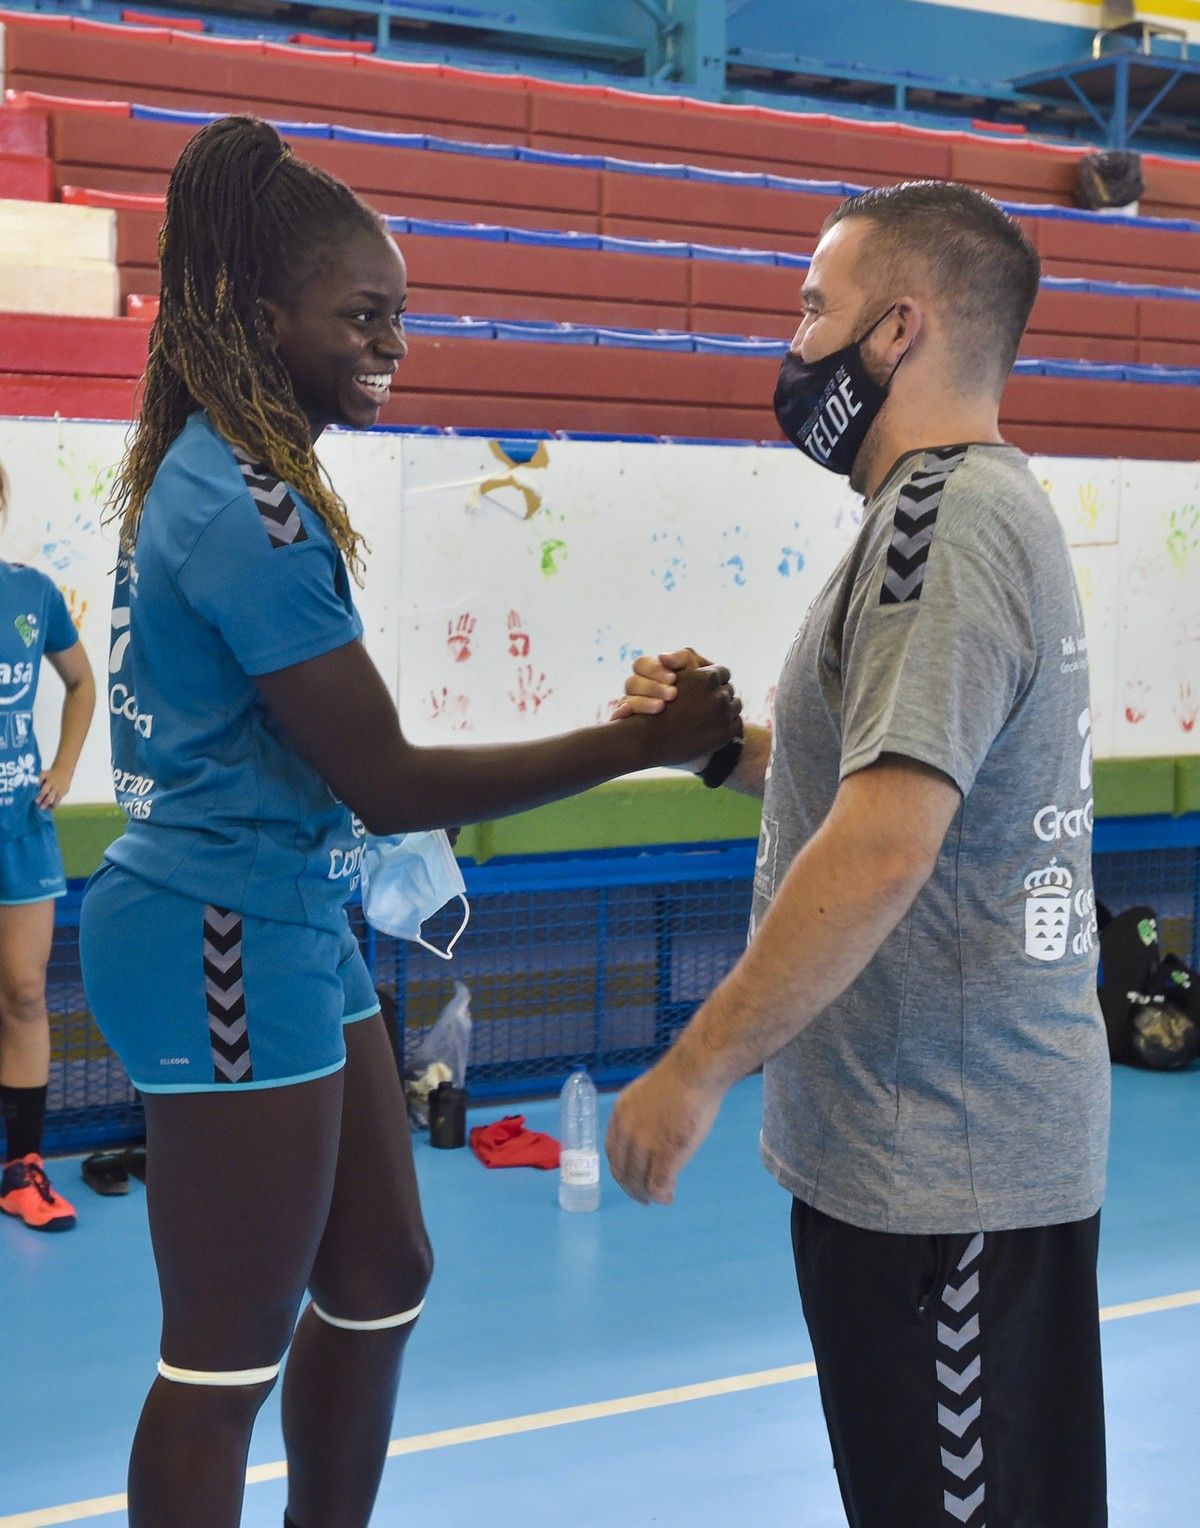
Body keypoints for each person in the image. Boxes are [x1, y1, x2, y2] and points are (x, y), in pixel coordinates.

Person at [78, 115, 740, 1528]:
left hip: (289, 913)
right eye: (362, 314)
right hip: (223, 932)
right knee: (221, 1355)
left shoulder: (249, 481)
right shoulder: (238, 507)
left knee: (380, 1277)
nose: (392, 342)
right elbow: (382, 776)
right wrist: (646, 745)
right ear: (264, 317)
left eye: (401, 314)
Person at [609, 180, 1110, 1527]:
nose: (797, 345)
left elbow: (889, 844)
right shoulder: (944, 518)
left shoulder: (943, 529)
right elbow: (883, 780)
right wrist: (723, 750)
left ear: (898, 331)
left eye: (814, 311)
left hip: (945, 1173)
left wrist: (693, 1066)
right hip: (941, 1161)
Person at [0, 468, 95, 1232]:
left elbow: (82, 684)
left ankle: (22, 1169)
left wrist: (63, 766)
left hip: (20, 829)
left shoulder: (33, 594)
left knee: (25, 994)